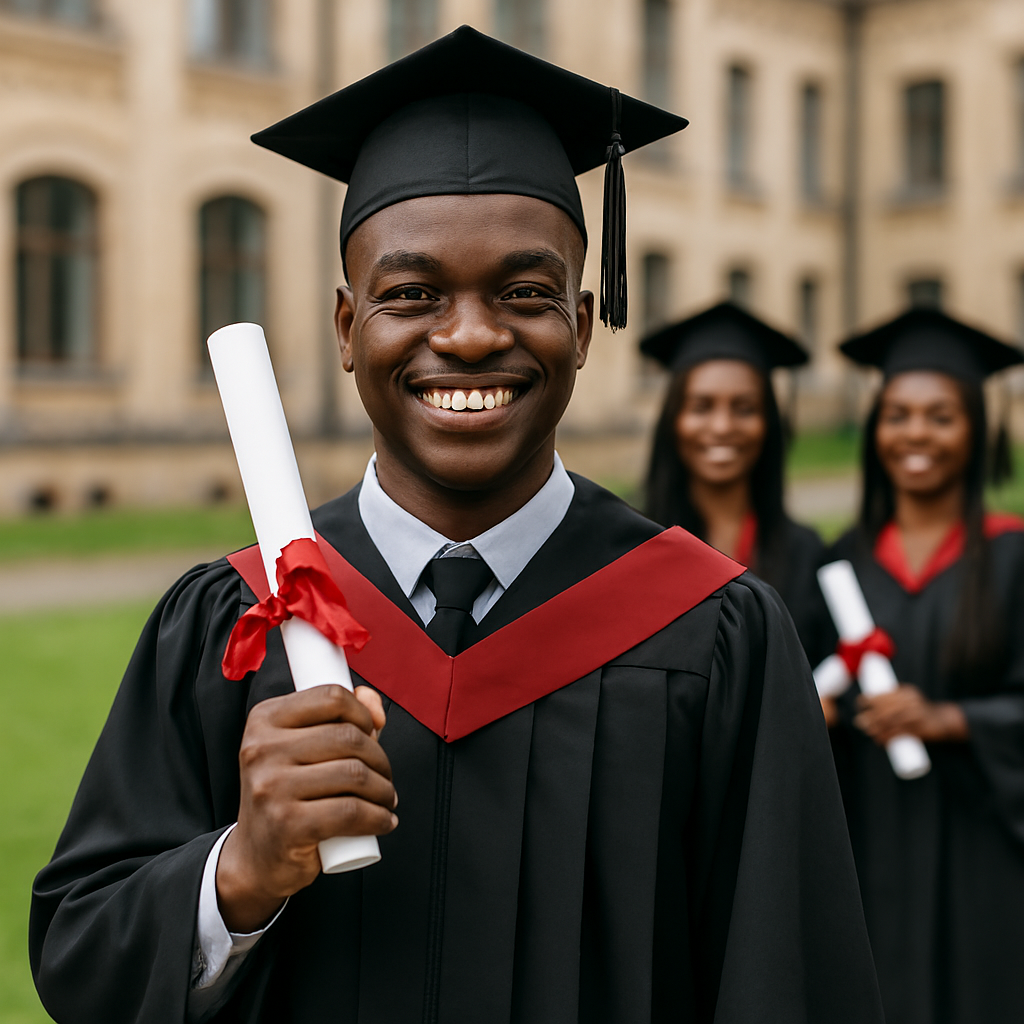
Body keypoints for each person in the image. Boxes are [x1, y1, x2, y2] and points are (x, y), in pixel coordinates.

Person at [30, 27, 883, 1024]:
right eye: (412, 294)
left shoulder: (717, 634)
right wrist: (239, 874)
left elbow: (793, 981)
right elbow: (81, 960)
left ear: (582, 319)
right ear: (349, 330)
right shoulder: (231, 620)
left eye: (524, 293)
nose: (470, 335)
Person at [824, 307, 1024, 1024]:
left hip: (986, 858)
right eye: (898, 415)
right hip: (872, 849)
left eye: (940, 417)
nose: (915, 434)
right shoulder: (840, 563)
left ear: (975, 431)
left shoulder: (1012, 556)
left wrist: (953, 719)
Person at [641, 301, 829, 662]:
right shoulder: (631, 549)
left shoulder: (806, 554)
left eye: (744, 408)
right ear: (674, 420)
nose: (723, 427)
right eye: (702, 407)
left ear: (768, 423)